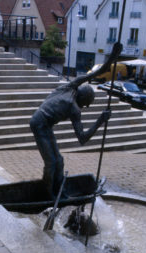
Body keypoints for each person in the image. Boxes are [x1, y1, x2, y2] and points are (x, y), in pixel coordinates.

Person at [29, 42, 123, 199]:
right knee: (52, 162)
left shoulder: (71, 86)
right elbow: (83, 139)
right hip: (38, 124)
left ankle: (59, 191)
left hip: (45, 125)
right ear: (83, 98)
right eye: (86, 105)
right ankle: (47, 193)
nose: (84, 108)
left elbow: (95, 73)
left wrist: (112, 58)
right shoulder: (74, 108)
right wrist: (101, 120)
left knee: (59, 160)